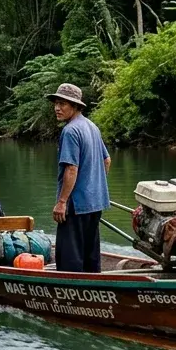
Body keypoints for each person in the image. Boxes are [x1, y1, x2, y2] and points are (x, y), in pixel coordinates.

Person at [47, 83, 110, 273]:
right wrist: (94, 186)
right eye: (56, 103)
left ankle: (71, 294)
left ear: (75, 106)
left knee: (69, 257)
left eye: (62, 104)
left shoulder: (70, 131)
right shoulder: (92, 127)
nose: (57, 108)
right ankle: (94, 291)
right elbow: (106, 161)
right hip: (95, 202)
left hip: (75, 204)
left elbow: (71, 169)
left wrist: (62, 201)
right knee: (90, 255)